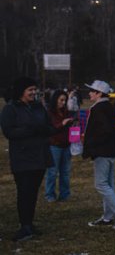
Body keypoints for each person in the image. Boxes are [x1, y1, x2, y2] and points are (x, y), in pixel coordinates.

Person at [1, 78, 70, 241]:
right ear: (21, 91)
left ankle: (29, 224)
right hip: (23, 158)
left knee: (32, 192)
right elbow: (9, 132)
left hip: (40, 156)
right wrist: (31, 130)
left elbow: (46, 128)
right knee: (24, 191)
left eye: (34, 89)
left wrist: (60, 127)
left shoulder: (39, 107)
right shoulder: (10, 109)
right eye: (30, 90)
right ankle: (24, 226)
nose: (34, 92)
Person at [82, 80, 115, 229]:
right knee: (108, 184)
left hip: (102, 151)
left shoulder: (99, 109)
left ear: (99, 93)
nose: (90, 93)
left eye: (92, 91)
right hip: (110, 151)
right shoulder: (108, 107)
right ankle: (108, 216)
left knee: (101, 184)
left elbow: (103, 132)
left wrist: (89, 142)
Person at [44, 90, 73, 202]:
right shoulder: (49, 113)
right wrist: (62, 124)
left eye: (65, 100)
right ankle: (50, 195)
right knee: (52, 172)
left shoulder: (66, 112)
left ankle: (64, 195)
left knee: (65, 172)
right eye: (61, 100)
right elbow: (49, 129)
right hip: (54, 146)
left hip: (66, 145)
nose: (63, 102)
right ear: (55, 99)